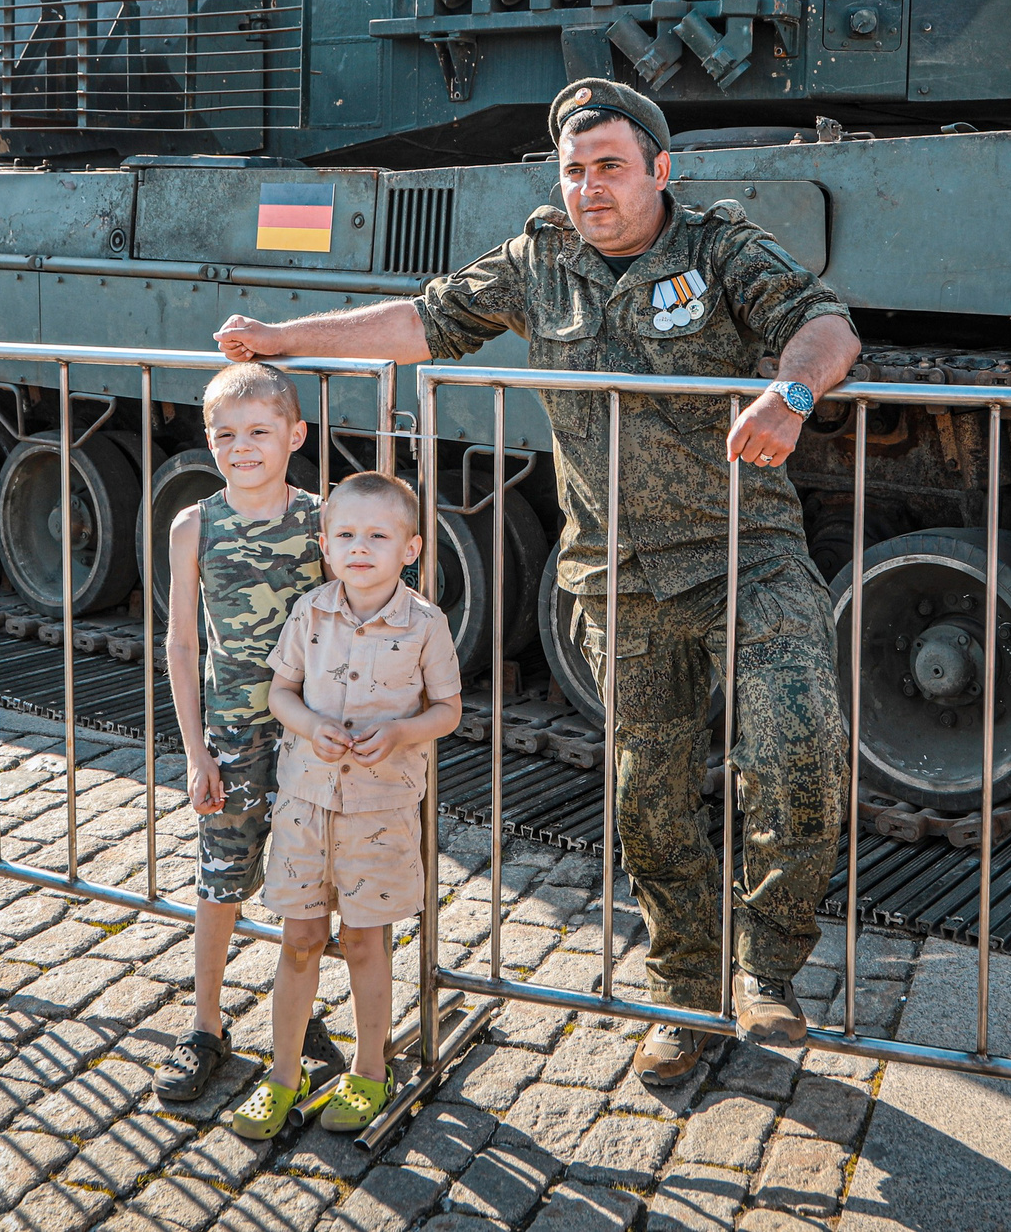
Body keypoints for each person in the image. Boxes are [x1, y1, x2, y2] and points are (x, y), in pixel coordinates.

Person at [216, 78, 862, 1084]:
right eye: (575, 170)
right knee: (648, 794)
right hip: (618, 572)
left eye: (611, 166)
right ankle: (686, 999)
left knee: (802, 740)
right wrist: (283, 341)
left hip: (746, 550)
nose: (591, 186)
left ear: (659, 169)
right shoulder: (538, 262)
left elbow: (826, 324)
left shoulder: (718, 246)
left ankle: (768, 967)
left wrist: (790, 391)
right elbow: (425, 323)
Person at [227, 471, 462, 1139]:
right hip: (305, 802)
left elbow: (448, 709)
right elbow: (282, 693)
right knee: (299, 938)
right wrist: (306, 724)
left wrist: (398, 731)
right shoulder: (310, 612)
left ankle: (369, 1066)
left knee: (365, 939)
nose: (361, 547)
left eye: (378, 535)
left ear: (410, 547)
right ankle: (284, 1072)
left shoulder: (425, 624)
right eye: (347, 535)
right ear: (327, 545)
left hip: (379, 808)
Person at [153, 361, 340, 1102]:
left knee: (307, 881)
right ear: (208, 440)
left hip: (311, 735)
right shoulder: (195, 524)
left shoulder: (322, 520)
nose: (242, 446)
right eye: (225, 434)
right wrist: (195, 749)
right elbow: (181, 643)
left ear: (294, 435)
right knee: (221, 880)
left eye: (259, 431)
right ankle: (205, 1025)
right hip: (233, 733)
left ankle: (300, 1016)